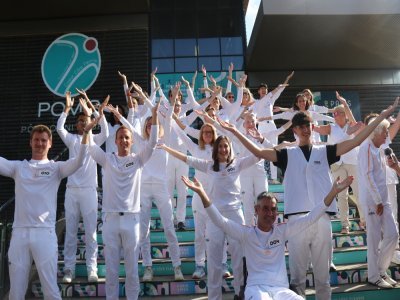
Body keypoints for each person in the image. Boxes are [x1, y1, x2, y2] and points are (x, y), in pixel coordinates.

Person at [219, 98, 398, 299]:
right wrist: (235, 132)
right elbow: (259, 152)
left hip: (322, 218)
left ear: (312, 127)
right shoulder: (286, 154)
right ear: (294, 130)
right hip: (297, 223)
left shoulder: (326, 150)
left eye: (308, 125)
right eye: (301, 126)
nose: (306, 129)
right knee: (297, 281)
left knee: (323, 280)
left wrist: (382, 116)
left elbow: (356, 140)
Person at [182, 175, 353, 300]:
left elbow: (311, 216)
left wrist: (333, 191)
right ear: (256, 210)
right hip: (256, 290)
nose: (269, 213)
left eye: (272, 209)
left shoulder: (282, 230)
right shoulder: (246, 234)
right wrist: (202, 193)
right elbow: (220, 220)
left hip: (281, 290)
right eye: (265, 209)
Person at [160, 134, 260, 300]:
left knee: (238, 259)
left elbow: (259, 155)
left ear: (230, 148)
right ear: (215, 149)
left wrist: (275, 143)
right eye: (220, 146)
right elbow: (186, 158)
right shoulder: (209, 166)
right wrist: (165, 148)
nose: (223, 149)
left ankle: (240, 294)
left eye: (225, 146)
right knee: (213, 262)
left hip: (235, 216)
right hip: (214, 216)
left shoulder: (238, 163)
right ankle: (214, 297)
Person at [2, 124, 87, 299]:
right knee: (16, 292)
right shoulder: (18, 168)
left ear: (50, 144)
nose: (39, 143)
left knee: (50, 289)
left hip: (44, 234)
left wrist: (86, 134)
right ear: (30, 142)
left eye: (43, 140)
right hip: (19, 234)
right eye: (36, 140)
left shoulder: (56, 168)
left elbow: (79, 160)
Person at [87, 101, 159, 299]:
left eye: (127, 137)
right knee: (111, 271)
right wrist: (93, 122)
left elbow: (152, 143)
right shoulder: (107, 159)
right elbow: (91, 147)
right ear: (116, 141)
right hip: (110, 220)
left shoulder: (138, 159)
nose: (124, 141)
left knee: (131, 272)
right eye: (121, 137)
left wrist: (154, 116)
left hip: (132, 220)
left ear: (132, 141)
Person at [58, 92, 109, 283]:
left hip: (89, 191)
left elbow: (106, 131)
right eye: (79, 120)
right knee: (70, 232)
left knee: (91, 233)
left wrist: (96, 111)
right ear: (77, 124)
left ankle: (92, 269)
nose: (81, 123)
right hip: (71, 191)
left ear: (90, 121)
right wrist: (67, 109)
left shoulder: (95, 138)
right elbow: (59, 127)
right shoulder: (71, 139)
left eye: (85, 119)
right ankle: (69, 270)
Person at [357, 115, 399, 288]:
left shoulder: (381, 147)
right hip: (374, 202)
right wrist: (377, 201)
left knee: (393, 234)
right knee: (374, 239)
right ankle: (374, 276)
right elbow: (368, 176)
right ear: (376, 132)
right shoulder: (366, 147)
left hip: (384, 199)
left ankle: (381, 270)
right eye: (385, 131)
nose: (386, 135)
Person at [313, 92, 365, 233]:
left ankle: (364, 221)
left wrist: (344, 102)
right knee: (342, 195)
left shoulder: (353, 125)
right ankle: (345, 225)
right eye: (334, 114)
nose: (335, 116)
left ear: (344, 114)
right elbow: (316, 128)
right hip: (337, 164)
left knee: (359, 193)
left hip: (352, 162)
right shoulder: (331, 127)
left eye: (338, 113)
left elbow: (351, 117)